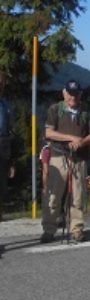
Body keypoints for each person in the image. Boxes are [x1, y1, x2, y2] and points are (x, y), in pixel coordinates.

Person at [41, 80, 90, 243]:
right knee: (54, 195)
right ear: (64, 93)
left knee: (78, 196)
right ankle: (49, 229)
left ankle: (77, 229)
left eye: (76, 94)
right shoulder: (55, 109)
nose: (73, 97)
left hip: (79, 158)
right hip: (58, 156)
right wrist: (71, 138)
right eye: (70, 93)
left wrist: (82, 142)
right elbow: (49, 132)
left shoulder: (86, 110)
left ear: (80, 94)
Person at [0, 71, 15, 222]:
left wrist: (11, 161)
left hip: (3, 150)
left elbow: (11, 133)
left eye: (2, 83)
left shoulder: (6, 106)